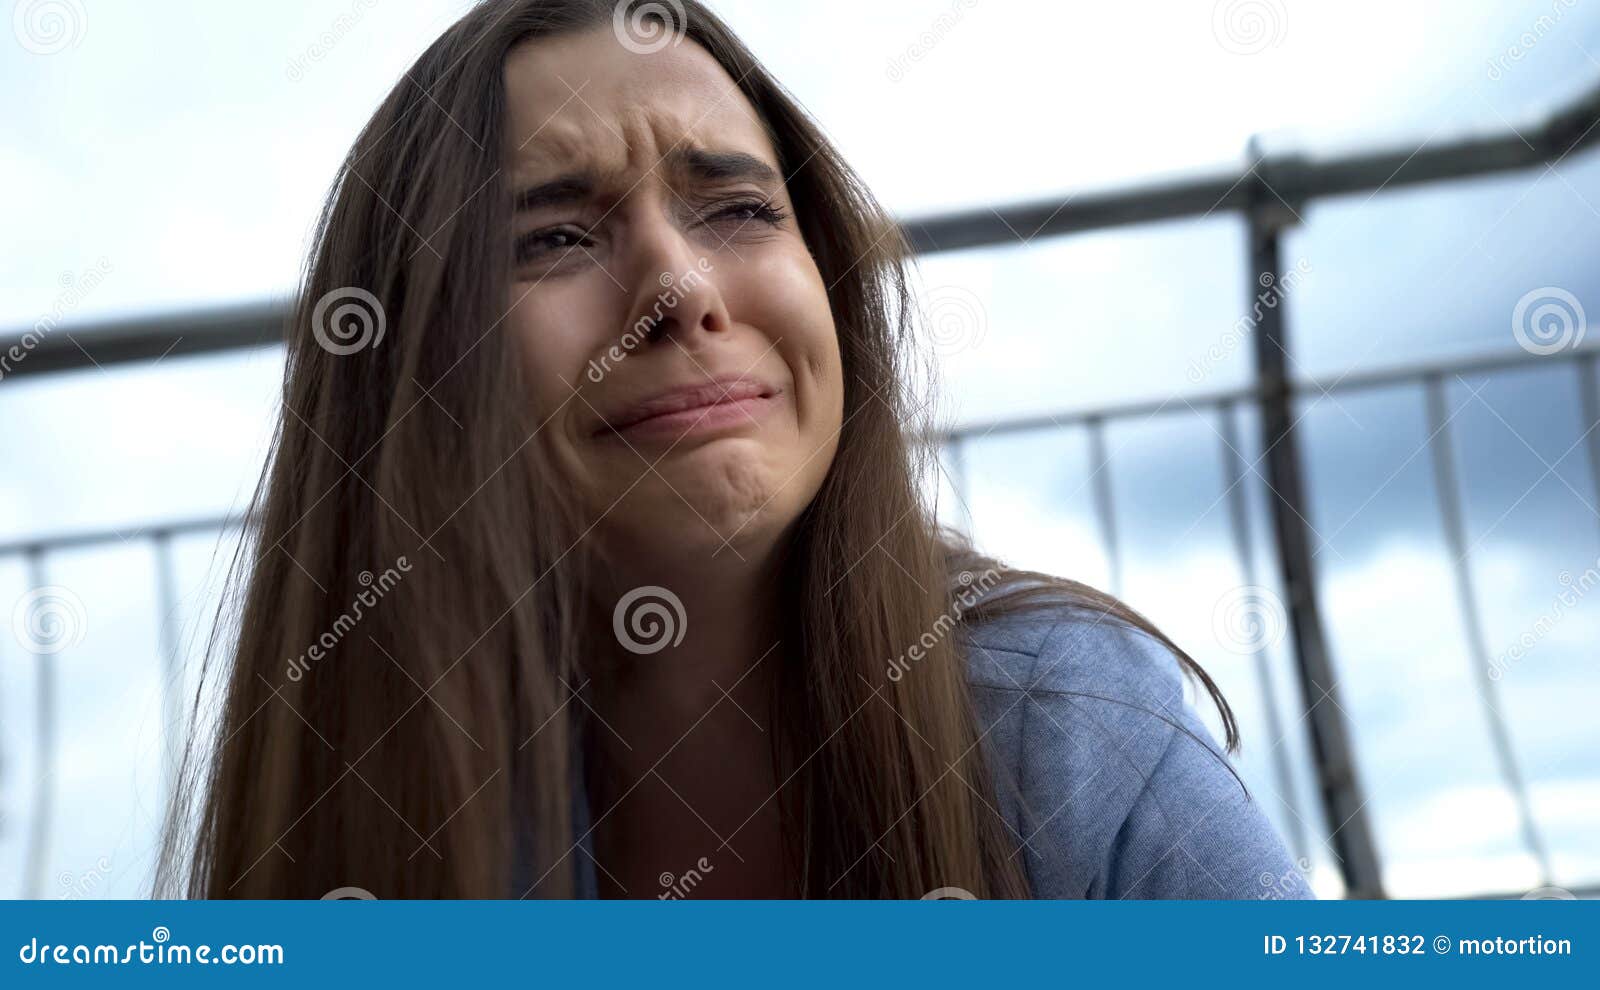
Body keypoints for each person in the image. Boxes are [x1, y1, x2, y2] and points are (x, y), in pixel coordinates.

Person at [158, 0, 1311, 901]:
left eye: (741, 211)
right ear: (410, 366)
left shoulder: (1057, 726)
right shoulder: (359, 821)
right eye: (555, 237)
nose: (681, 288)